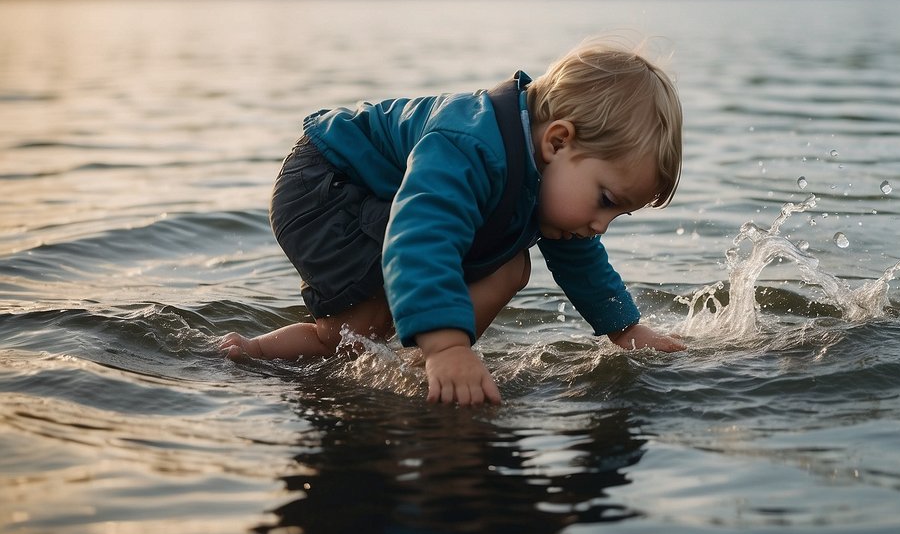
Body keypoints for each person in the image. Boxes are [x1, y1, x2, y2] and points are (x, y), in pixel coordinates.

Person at [219, 40, 685, 405]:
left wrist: (625, 330)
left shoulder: (543, 176)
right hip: (326, 185)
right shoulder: (471, 148)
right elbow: (420, 240)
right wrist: (449, 347)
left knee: (508, 267)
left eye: (618, 214)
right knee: (350, 339)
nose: (601, 225)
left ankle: (418, 364)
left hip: (365, 192)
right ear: (559, 141)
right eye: (604, 200)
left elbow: (579, 257)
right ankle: (252, 356)